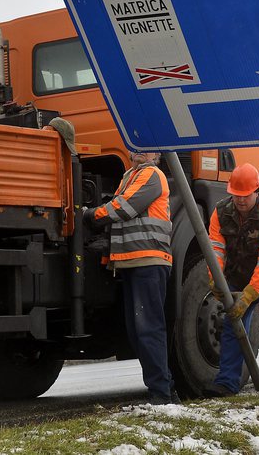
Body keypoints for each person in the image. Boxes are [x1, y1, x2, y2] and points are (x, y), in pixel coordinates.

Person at [84, 150, 177, 405]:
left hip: (148, 260)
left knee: (148, 329)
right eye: (136, 147)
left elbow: (124, 208)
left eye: (145, 148)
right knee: (138, 332)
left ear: (156, 154)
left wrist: (90, 215)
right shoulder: (129, 175)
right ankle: (165, 388)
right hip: (132, 261)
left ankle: (162, 394)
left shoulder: (152, 175)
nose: (139, 153)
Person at [202, 163, 259, 398]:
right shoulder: (220, 212)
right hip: (237, 276)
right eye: (236, 195)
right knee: (233, 324)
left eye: (245, 196)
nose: (240, 201)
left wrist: (251, 294)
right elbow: (216, 249)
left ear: (256, 191)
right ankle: (227, 382)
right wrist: (217, 281)